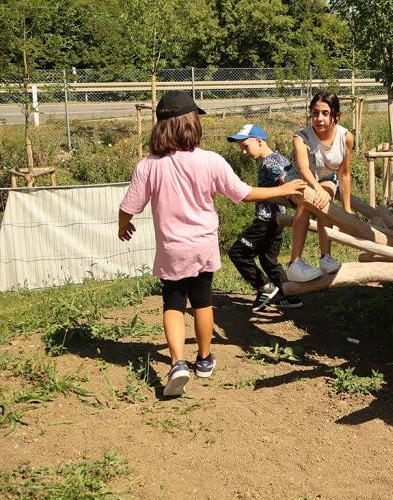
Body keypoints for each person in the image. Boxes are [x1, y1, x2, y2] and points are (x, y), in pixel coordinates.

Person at [118, 92, 305, 397]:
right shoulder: (210, 161)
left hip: (172, 248)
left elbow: (130, 206)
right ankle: (204, 359)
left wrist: (123, 225)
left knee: (173, 303)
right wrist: (281, 190)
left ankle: (177, 363)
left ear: (160, 127)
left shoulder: (148, 165)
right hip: (203, 244)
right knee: (203, 301)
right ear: (192, 125)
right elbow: (243, 193)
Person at [226, 123, 303, 311]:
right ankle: (291, 297)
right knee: (269, 261)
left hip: (266, 220)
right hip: (278, 220)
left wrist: (295, 198)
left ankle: (265, 287)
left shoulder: (269, 162)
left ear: (259, 141)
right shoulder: (278, 157)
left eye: (245, 146)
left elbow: (289, 183)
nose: (244, 152)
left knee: (238, 253)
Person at [287, 91, 354, 283]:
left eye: (325, 113)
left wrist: (347, 209)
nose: (319, 118)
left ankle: (326, 257)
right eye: (315, 113)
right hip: (300, 178)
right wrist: (316, 190)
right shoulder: (301, 137)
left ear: (336, 116)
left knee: (325, 198)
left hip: (326, 178)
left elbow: (344, 173)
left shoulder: (346, 137)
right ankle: (295, 263)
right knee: (307, 202)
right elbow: (303, 169)